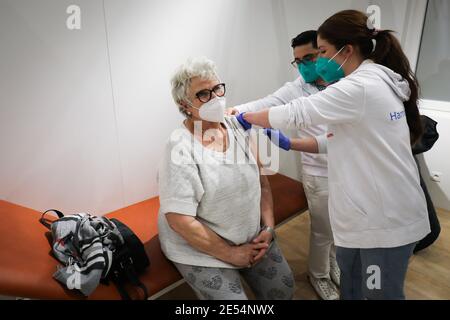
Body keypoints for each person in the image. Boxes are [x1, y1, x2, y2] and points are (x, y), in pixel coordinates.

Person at [238, 10, 430, 300]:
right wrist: (290, 144)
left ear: (346, 50)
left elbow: (297, 112)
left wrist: (245, 117)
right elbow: (336, 140)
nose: (318, 61)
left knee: (377, 293)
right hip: (359, 216)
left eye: (322, 52)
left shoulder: (360, 86)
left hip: (384, 220)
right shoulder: (370, 82)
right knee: (351, 288)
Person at [157, 57, 295, 300]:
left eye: (217, 89)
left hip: (251, 234)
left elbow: (262, 182)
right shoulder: (179, 147)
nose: (215, 98)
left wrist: (269, 227)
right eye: (203, 94)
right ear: (185, 104)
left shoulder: (236, 126)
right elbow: (179, 220)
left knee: (284, 291)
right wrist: (230, 254)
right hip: (200, 249)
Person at [227, 30, 340, 300]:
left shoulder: (343, 81)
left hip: (348, 167)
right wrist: (232, 111)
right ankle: (319, 275)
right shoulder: (297, 87)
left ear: (324, 52)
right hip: (318, 171)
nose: (303, 66)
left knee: (342, 225)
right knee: (323, 230)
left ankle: (333, 262)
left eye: (309, 57)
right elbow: (266, 103)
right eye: (298, 61)